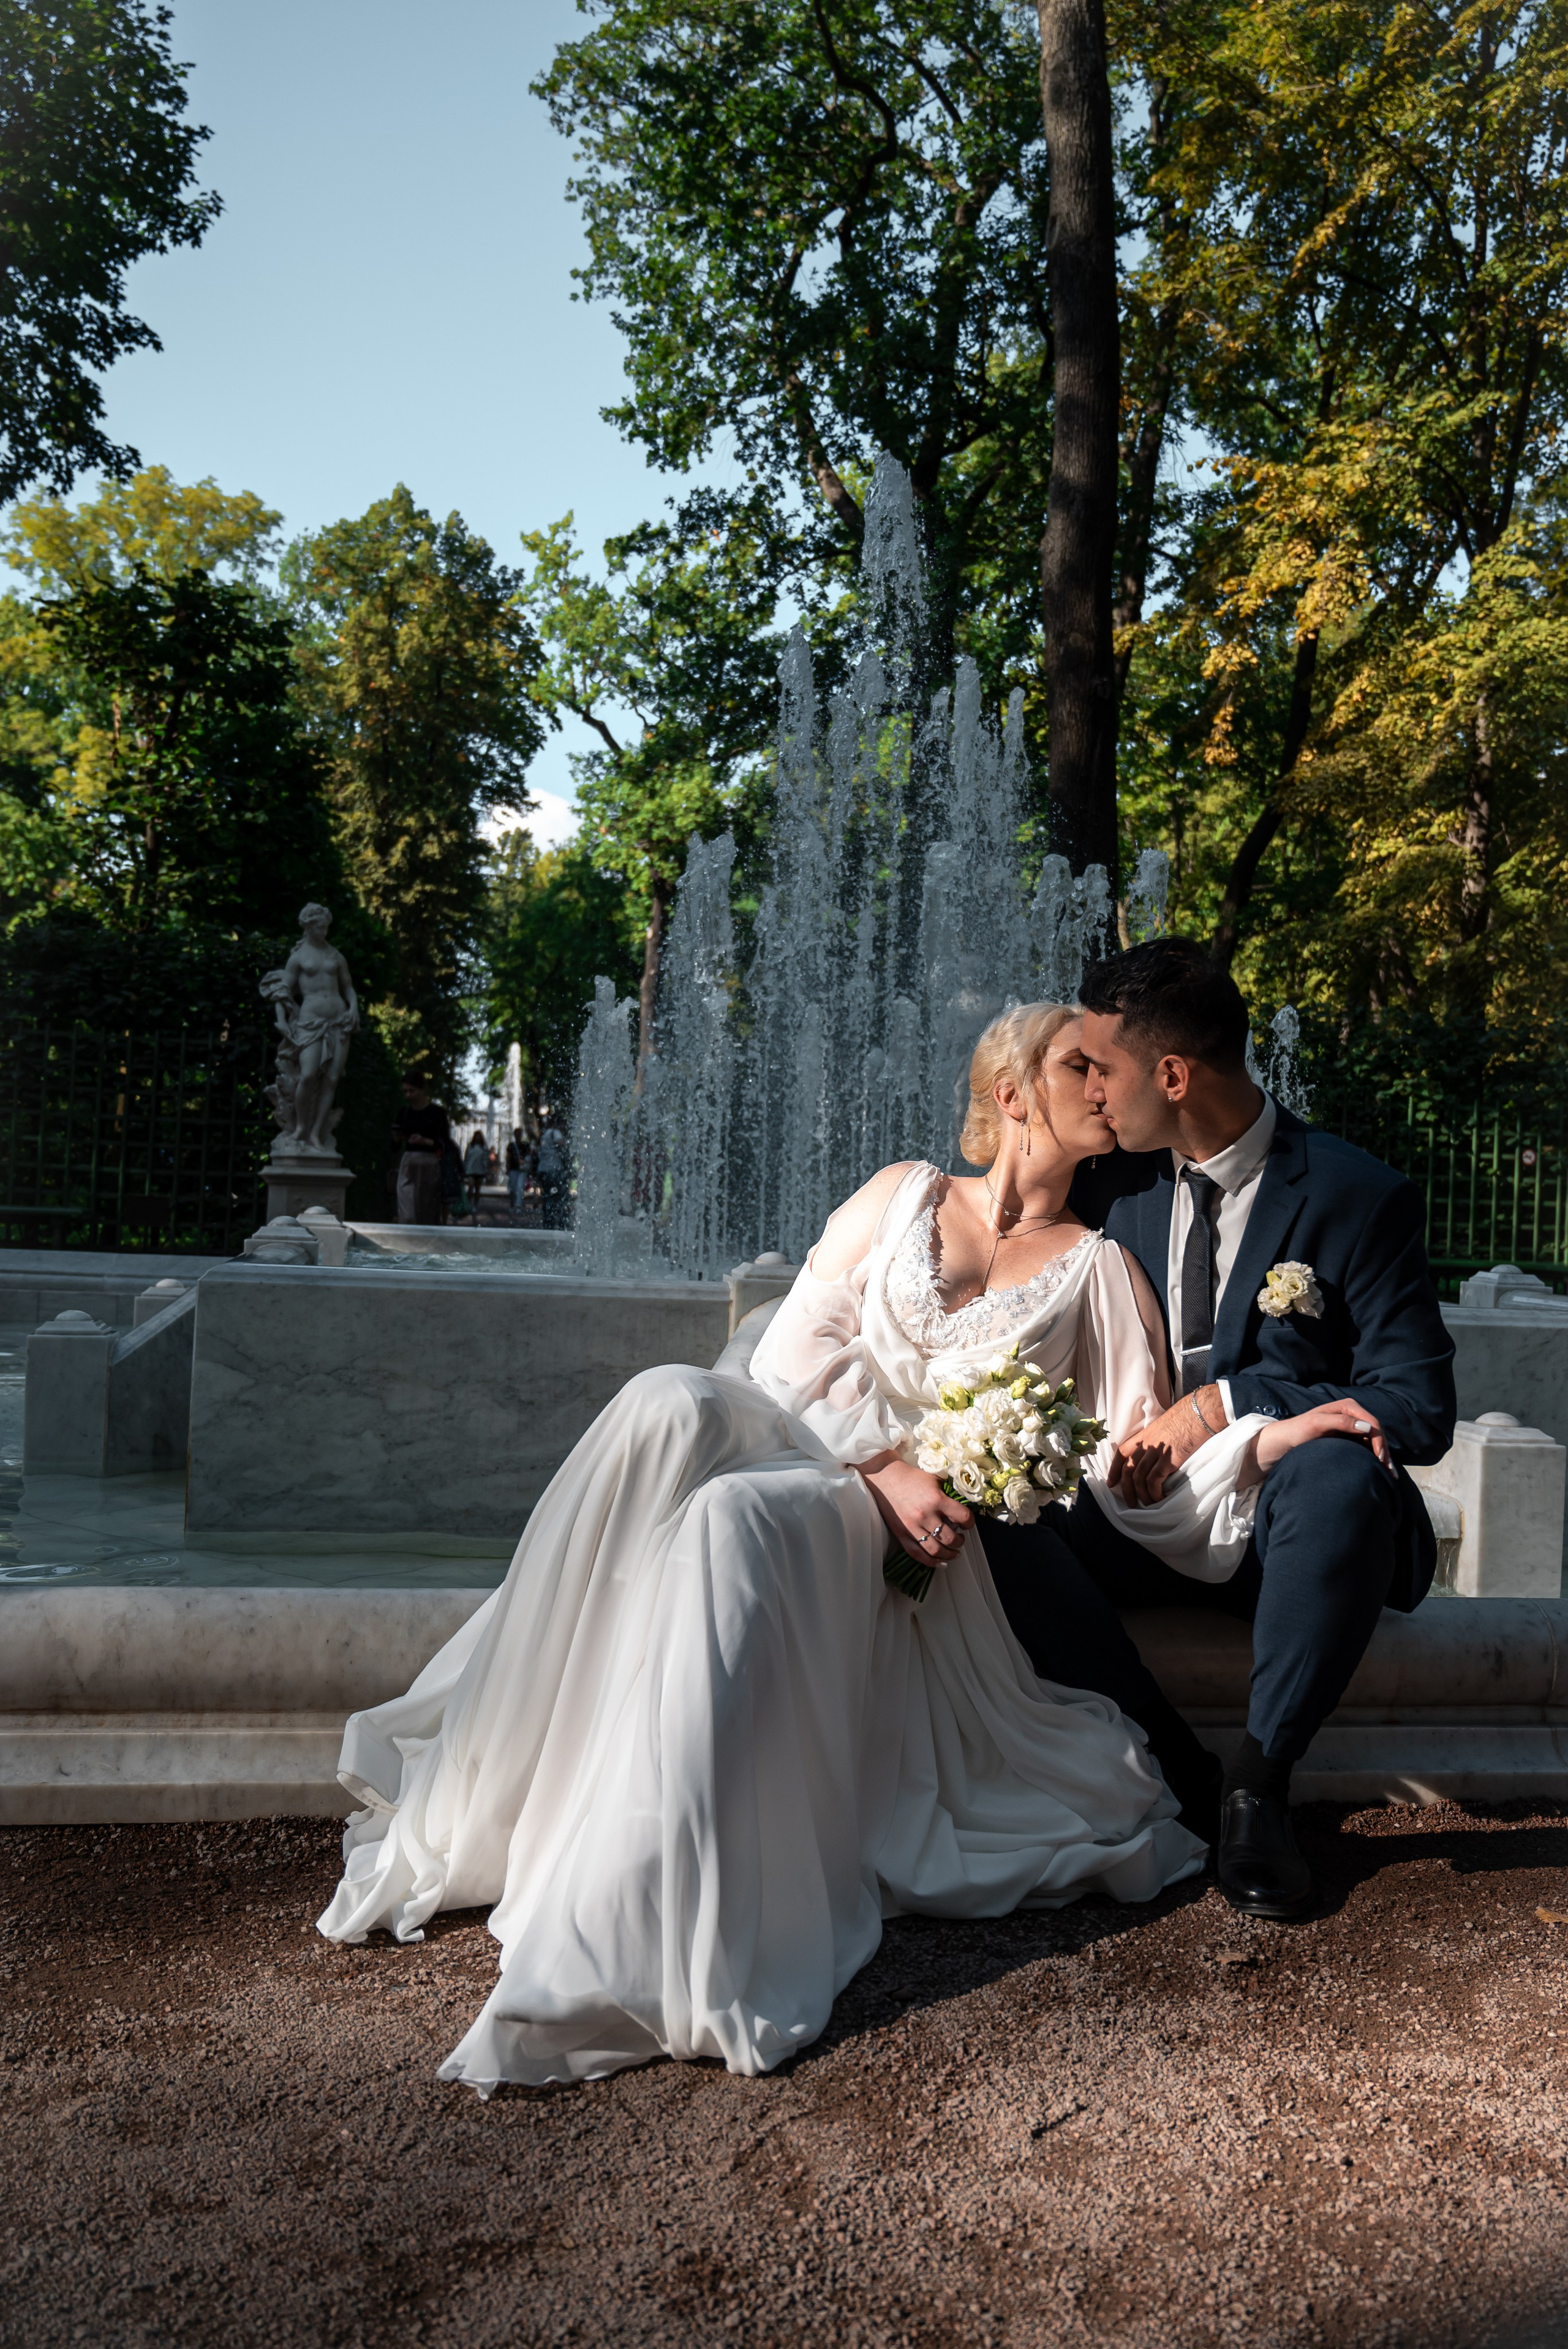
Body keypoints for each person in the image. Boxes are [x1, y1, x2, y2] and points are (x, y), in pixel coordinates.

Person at [317, 1003, 1381, 2092]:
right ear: (1013, 1095)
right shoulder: (900, 1192)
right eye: (1081, 1066)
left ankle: (642, 1916)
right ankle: (501, 1771)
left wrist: (1261, 1433)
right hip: (815, 1449)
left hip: (897, 1538)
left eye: (1111, 1070)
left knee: (729, 1524)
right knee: (666, 1401)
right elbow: (788, 1356)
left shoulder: (1101, 1271)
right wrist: (884, 1465)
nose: (1110, 1085)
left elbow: (1127, 1460)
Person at [985, 938, 1456, 1923]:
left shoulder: (1357, 1195)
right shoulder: (1113, 1192)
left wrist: (1231, 1402)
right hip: (1138, 1518)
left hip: (1291, 1530)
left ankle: (1257, 1787)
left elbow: (1417, 1406)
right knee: (996, 1509)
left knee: (1340, 1480)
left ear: (1171, 1073)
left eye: (1104, 1069)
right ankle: (1177, 1759)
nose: (1096, 1093)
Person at [392, 1074, 450, 1227]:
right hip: (409, 1161)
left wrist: (426, 1141)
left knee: (428, 1211)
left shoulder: (437, 1113)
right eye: (405, 1092)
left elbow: (446, 1142)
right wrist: (397, 1139)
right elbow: (394, 1147)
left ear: (423, 1090)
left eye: (412, 1091)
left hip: (429, 1162)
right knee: (407, 1209)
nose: (408, 1095)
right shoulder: (404, 1113)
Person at [536, 1117, 568, 1229]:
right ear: (557, 1124)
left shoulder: (545, 1134)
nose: (564, 1128)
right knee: (558, 1197)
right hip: (553, 1170)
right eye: (563, 1125)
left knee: (547, 1197)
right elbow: (561, 1143)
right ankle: (560, 1223)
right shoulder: (556, 1132)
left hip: (543, 1170)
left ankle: (548, 1222)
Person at [463, 1129, 489, 1217]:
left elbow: (486, 1159)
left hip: (480, 1171)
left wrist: (486, 1170)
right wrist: (465, 1169)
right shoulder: (470, 1146)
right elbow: (466, 1158)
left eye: (479, 1136)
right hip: (471, 1170)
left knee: (478, 1190)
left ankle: (475, 1206)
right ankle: (468, 1204)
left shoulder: (484, 1147)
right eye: (476, 1136)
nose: (478, 1138)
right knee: (471, 1188)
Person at [504, 1129, 526, 1218]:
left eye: (520, 1134)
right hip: (513, 1169)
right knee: (513, 1188)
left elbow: (529, 1156)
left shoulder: (525, 1145)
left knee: (520, 1188)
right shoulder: (511, 1145)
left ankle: (518, 1206)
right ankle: (512, 1203)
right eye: (517, 1134)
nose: (518, 1135)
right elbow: (508, 1157)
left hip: (523, 1170)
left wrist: (524, 1162)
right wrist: (507, 1167)